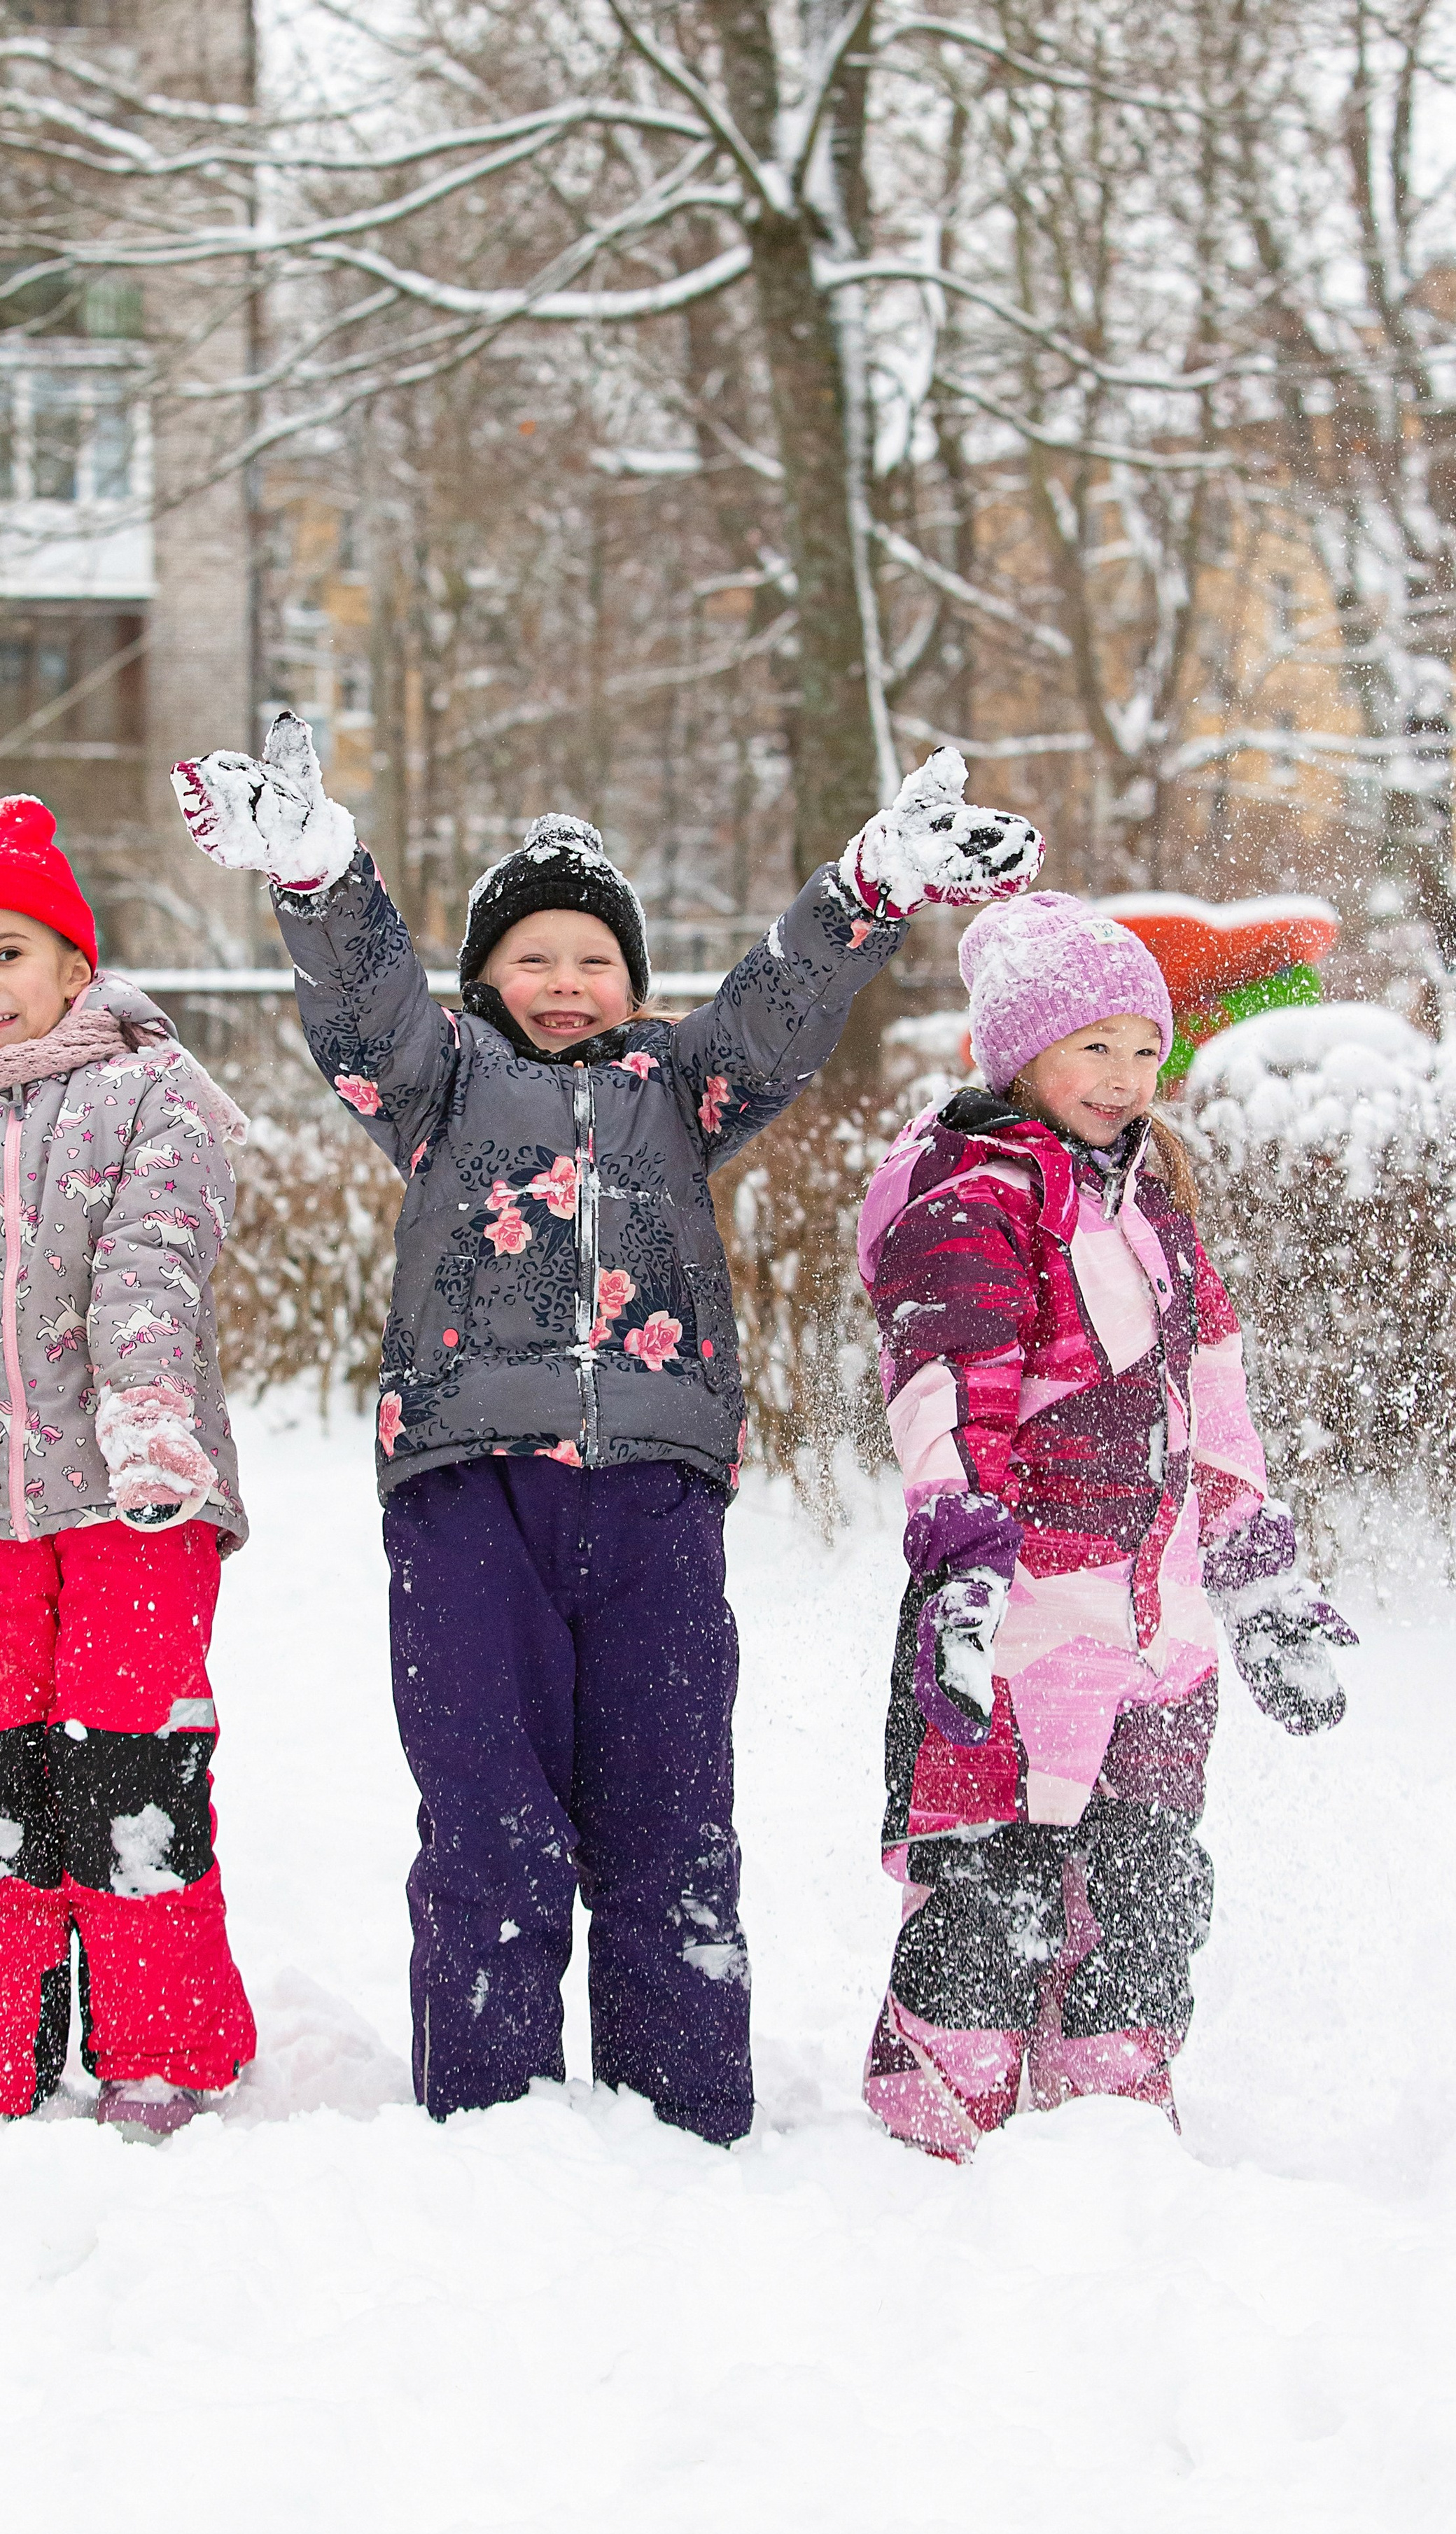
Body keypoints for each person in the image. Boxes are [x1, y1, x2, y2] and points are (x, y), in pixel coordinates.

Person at [172, 718, 1042, 2143]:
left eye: (593, 961)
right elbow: (364, 1008)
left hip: (653, 1499)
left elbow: (774, 1009)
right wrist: (321, 875)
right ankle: (490, 2111)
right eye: (532, 960)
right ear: (484, 983)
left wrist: (868, 884)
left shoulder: (676, 1094)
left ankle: (685, 2110)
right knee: (488, 1818)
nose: (565, 983)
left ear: (633, 986)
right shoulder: (440, 1086)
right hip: (468, 1497)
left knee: (670, 1818)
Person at [855, 888, 1357, 2160]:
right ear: (1017, 1052)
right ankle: (938, 2122)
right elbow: (952, 1393)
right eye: (1096, 1047)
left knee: (1148, 1885)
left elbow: (1218, 1404)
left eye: (1147, 1048)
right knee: (989, 1883)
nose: (1129, 1075)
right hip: (1015, 1625)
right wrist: (962, 1575)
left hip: (1158, 1628)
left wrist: (1258, 1582)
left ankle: (1115, 2117)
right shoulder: (972, 1195)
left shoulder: (1152, 1199)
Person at [0, 794, 257, 2136]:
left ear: (76, 966)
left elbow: (159, 1257)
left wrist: (151, 1413)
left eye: (8, 954)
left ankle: (159, 2056)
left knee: (131, 1773)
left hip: (136, 1506)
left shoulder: (157, 1096)